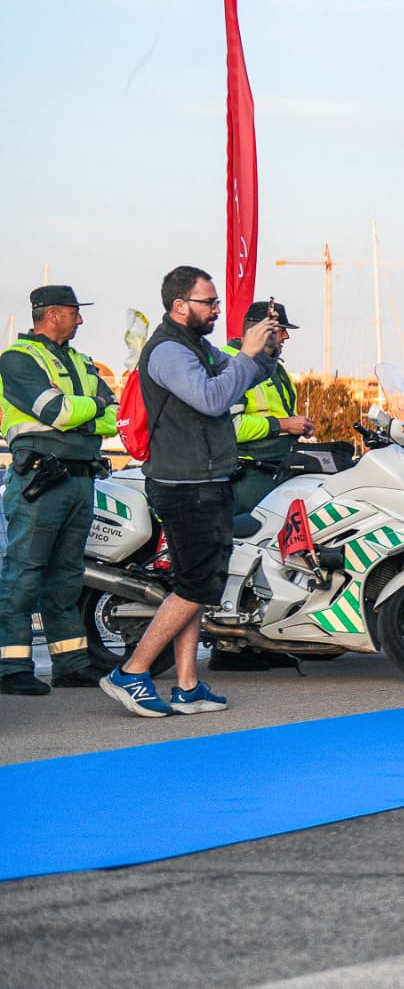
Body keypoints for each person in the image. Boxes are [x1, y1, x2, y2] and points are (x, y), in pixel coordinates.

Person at [99, 267, 276, 717]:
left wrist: (265, 353)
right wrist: (245, 356)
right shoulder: (169, 352)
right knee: (197, 587)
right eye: (209, 302)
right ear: (180, 305)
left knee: (193, 584)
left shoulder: (196, 346)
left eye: (216, 301)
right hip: (186, 486)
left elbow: (238, 378)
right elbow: (213, 398)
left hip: (205, 481)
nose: (217, 309)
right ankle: (132, 671)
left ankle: (187, 684)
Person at [1, 286, 118, 696]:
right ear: (51, 315)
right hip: (40, 481)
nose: (80, 320)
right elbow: (57, 412)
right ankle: (11, 668)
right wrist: (91, 410)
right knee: (23, 575)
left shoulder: (82, 362)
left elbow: (115, 417)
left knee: (67, 578)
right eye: (74, 312)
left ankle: (71, 664)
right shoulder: (17, 359)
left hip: (79, 480)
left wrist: (84, 414)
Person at [222, 300, 315, 515]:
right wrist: (284, 425)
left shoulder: (273, 365)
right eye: (281, 330)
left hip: (275, 469)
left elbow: (278, 413)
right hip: (246, 477)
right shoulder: (229, 363)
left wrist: (298, 426)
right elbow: (230, 427)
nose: (286, 337)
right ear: (260, 330)